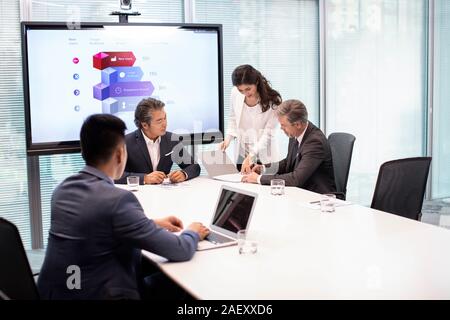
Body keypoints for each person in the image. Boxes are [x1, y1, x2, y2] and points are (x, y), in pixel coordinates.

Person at [37, 114, 209, 300]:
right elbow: (180, 249)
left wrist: (151, 223)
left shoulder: (61, 190)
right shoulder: (118, 201)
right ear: (120, 154)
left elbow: (96, 225)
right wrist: (193, 231)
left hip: (56, 294)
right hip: (103, 294)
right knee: (182, 284)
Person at [241, 99, 336, 194]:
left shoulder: (315, 142)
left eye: (284, 125)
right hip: (301, 192)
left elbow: (296, 179)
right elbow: (288, 163)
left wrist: (259, 179)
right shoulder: (295, 133)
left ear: (298, 124)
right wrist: (263, 169)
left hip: (318, 197)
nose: (281, 128)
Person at [116, 97, 200, 185]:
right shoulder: (125, 142)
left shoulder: (171, 139)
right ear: (145, 125)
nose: (165, 124)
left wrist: (183, 174)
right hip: (137, 194)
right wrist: (144, 178)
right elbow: (112, 176)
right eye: (159, 121)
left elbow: (194, 167)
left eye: (165, 118)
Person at [220, 64, 282, 172]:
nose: (245, 93)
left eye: (248, 89)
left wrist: (251, 155)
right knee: (240, 184)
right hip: (242, 152)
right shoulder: (235, 93)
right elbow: (233, 118)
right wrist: (227, 139)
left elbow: (268, 135)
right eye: (241, 90)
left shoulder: (273, 101)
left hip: (264, 155)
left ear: (256, 82)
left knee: (260, 185)